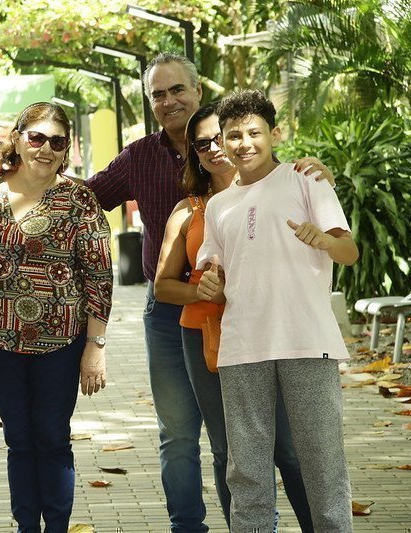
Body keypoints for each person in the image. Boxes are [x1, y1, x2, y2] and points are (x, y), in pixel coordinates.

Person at [85, 52, 329, 531]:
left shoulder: (244, 143)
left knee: (283, 443)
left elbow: (301, 193)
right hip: (177, 313)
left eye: (177, 89)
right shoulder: (143, 160)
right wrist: (17, 173)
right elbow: (83, 199)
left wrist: (317, 171)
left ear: (198, 91)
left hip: (265, 317)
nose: (168, 100)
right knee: (186, 437)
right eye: (157, 94)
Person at [154, 103, 337, 531]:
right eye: (204, 143)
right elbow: (165, 285)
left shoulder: (295, 180)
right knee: (234, 453)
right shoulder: (196, 208)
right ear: (195, 153)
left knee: (293, 450)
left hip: (289, 335)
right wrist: (201, 289)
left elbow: (332, 238)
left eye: (223, 136)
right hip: (214, 337)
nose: (218, 147)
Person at [197, 89, 358, 532]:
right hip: (243, 346)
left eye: (254, 133)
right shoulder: (218, 205)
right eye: (233, 135)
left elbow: (349, 251)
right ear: (222, 142)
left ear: (274, 134)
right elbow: (216, 277)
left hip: (307, 340)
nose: (244, 143)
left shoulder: (306, 178)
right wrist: (211, 284)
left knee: (323, 463)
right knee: (245, 470)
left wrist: (324, 240)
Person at [0, 102, 113, 531]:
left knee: (51, 440)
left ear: (66, 149)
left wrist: (95, 347)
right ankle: (26, 525)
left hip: (59, 343)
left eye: (57, 141)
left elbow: (100, 275)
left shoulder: (78, 198)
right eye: (37, 138)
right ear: (17, 138)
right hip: (0, 340)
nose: (45, 148)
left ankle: (57, 526)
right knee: (18, 439)